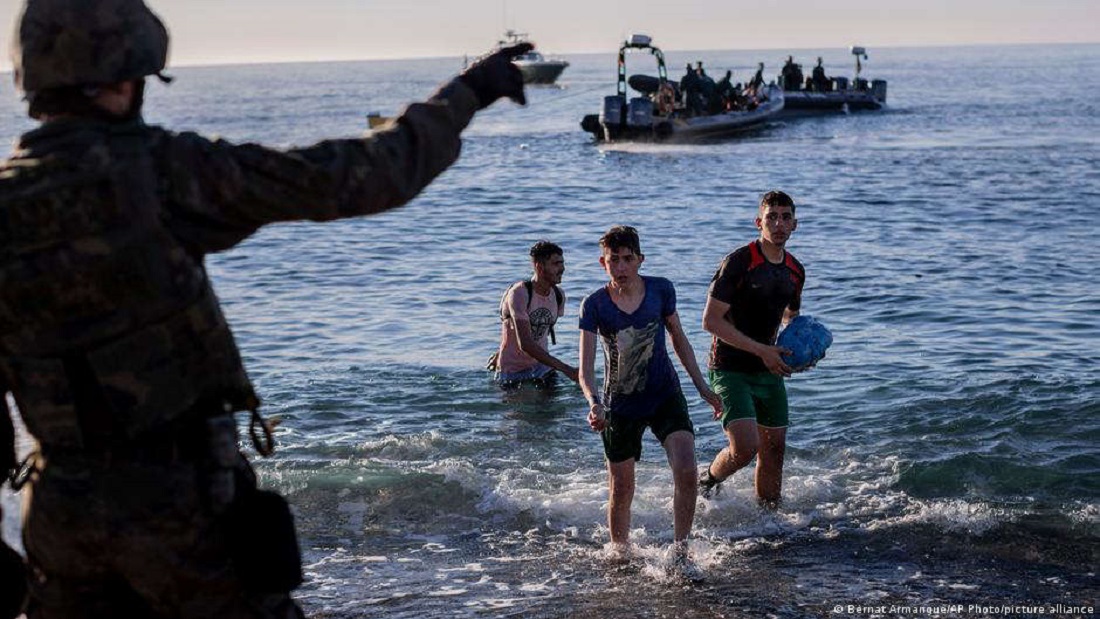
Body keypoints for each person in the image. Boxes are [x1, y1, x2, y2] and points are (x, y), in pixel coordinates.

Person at [0, 0, 532, 616]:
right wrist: (466, 93)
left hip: (61, 517)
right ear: (124, 78)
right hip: (179, 508)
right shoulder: (160, 169)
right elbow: (353, 176)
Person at [578, 226, 722, 566]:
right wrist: (593, 402)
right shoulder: (594, 305)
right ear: (603, 263)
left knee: (687, 469)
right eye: (614, 260)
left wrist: (702, 387)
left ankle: (681, 553)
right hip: (619, 404)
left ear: (640, 260)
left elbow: (679, 339)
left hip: (664, 394)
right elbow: (585, 367)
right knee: (622, 487)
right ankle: (620, 554)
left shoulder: (661, 290)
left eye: (628, 259)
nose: (622, 266)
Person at [698, 191, 805, 509]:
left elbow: (791, 319)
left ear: (795, 224)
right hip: (729, 366)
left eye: (786, 217)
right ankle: (708, 481)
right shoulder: (740, 261)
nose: (779, 223)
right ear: (759, 222)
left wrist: (798, 354)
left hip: (768, 367)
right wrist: (762, 350)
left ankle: (769, 522)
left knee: (774, 450)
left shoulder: (795, 271)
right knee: (745, 447)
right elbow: (710, 321)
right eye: (772, 217)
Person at [492, 241, 579, 386]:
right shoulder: (520, 293)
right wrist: (566, 369)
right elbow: (525, 344)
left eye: (562, 263)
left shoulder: (558, 295)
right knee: (523, 409)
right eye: (556, 264)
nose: (562, 268)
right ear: (539, 267)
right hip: (512, 372)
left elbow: (539, 330)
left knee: (554, 408)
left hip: (542, 368)